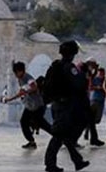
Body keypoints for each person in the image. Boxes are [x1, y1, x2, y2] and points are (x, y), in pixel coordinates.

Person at [43, 40, 90, 172]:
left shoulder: (56, 66)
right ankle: (50, 165)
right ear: (72, 53)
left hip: (58, 104)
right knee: (59, 136)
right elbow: (79, 84)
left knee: (63, 135)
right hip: (66, 106)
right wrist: (84, 75)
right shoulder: (69, 67)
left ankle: (77, 161)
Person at [3, 61, 52, 149]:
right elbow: (21, 93)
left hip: (37, 106)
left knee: (42, 124)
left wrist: (26, 91)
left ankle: (60, 137)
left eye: (16, 72)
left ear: (21, 71)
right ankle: (31, 142)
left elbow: (34, 86)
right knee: (24, 122)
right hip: (30, 106)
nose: (16, 75)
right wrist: (10, 99)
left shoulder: (27, 77)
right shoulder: (20, 79)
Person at [88, 67, 106, 146]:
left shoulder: (105, 80)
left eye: (103, 73)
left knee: (97, 120)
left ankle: (89, 133)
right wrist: (97, 87)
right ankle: (92, 137)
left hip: (101, 101)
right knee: (92, 120)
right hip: (94, 100)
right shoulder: (95, 79)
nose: (101, 75)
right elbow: (90, 87)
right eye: (100, 73)